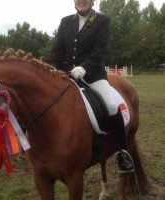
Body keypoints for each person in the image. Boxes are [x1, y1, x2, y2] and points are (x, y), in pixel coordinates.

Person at [49, 0, 134, 172]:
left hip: (93, 74)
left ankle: (122, 152)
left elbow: (100, 50)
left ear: (93, 0)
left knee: (111, 105)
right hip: (65, 75)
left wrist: (84, 67)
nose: (81, 1)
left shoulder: (102, 20)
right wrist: (51, 69)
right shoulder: (66, 21)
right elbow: (58, 50)